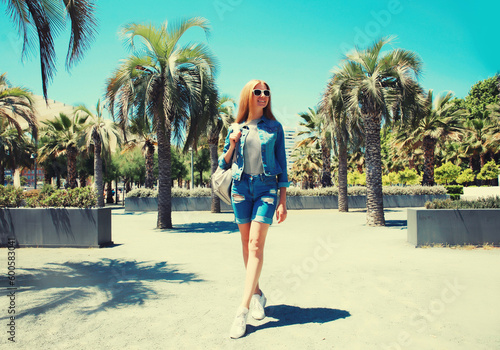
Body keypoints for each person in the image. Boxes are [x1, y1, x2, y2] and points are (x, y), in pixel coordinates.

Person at [218, 79, 290, 339]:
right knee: (247, 245)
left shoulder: (275, 127)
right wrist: (233, 142)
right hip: (240, 189)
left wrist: (283, 201)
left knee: (256, 246)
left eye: (266, 92)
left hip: (266, 190)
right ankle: (257, 293)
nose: (262, 96)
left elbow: (282, 164)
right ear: (248, 96)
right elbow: (223, 162)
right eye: (257, 92)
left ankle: (242, 309)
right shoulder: (235, 127)